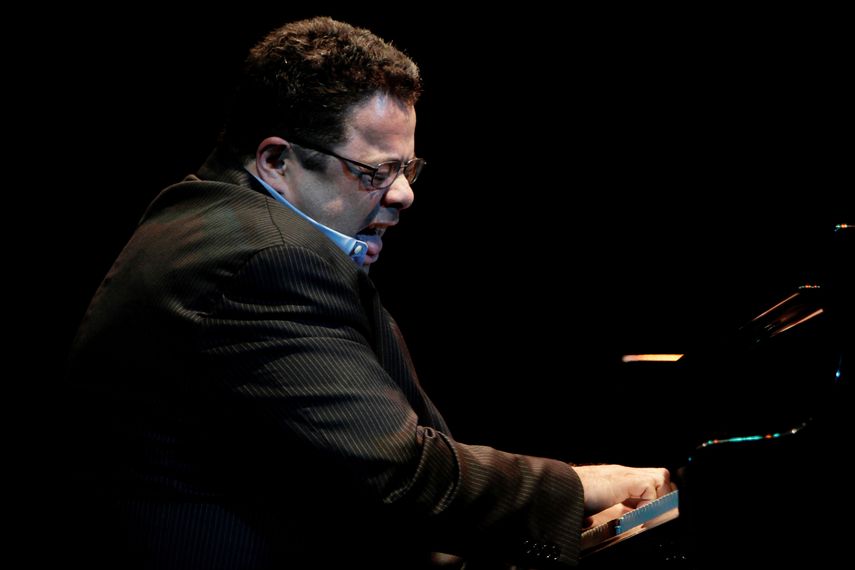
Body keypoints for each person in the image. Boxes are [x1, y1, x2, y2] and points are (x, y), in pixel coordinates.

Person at [64, 16, 672, 569]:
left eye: (408, 170)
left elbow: (325, 488)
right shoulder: (263, 259)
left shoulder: (203, 220)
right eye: (374, 172)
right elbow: (399, 476)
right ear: (276, 160)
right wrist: (581, 485)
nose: (404, 195)